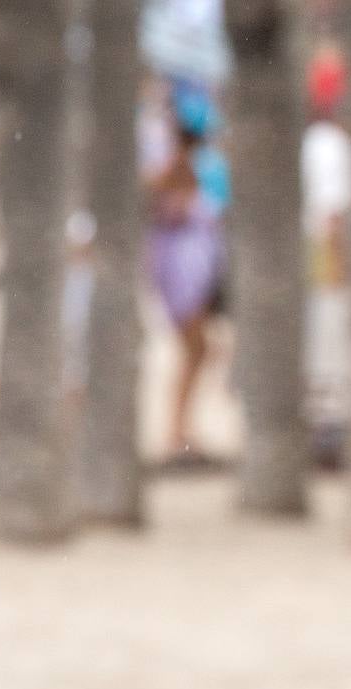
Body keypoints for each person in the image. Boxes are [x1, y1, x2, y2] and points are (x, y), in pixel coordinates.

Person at [146, 123, 226, 464]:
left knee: (200, 349)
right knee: (196, 348)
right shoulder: (170, 170)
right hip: (182, 272)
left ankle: (180, 426)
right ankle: (176, 429)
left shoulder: (184, 168)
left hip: (192, 270)